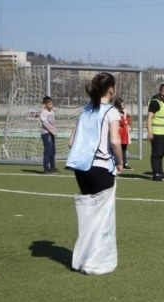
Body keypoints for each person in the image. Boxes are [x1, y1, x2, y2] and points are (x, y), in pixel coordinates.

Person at [66, 72, 123, 274]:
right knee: (102, 218)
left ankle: (82, 260)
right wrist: (120, 161)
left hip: (81, 169)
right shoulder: (111, 112)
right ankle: (97, 262)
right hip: (100, 167)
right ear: (111, 89)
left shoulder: (86, 110)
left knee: (89, 216)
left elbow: (71, 141)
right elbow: (115, 141)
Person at [146, 83, 164, 181]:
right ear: (162, 92)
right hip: (156, 132)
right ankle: (156, 174)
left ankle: (160, 172)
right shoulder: (155, 102)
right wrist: (149, 132)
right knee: (156, 154)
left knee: (161, 153)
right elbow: (149, 118)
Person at [40, 96, 57, 174]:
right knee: (48, 151)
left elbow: (53, 123)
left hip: (51, 133)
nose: (51, 105)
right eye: (50, 104)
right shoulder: (44, 112)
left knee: (53, 151)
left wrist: (55, 130)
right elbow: (45, 124)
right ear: (45, 104)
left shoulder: (52, 112)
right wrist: (51, 131)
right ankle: (46, 169)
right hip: (46, 134)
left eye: (52, 104)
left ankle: (53, 167)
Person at [114, 97, 133, 170]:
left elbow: (128, 120)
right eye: (121, 105)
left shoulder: (123, 112)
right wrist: (124, 116)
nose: (123, 106)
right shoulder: (116, 112)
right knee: (118, 148)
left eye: (123, 105)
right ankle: (118, 162)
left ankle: (125, 162)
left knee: (124, 149)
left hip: (125, 133)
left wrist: (129, 124)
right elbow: (122, 122)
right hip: (119, 133)